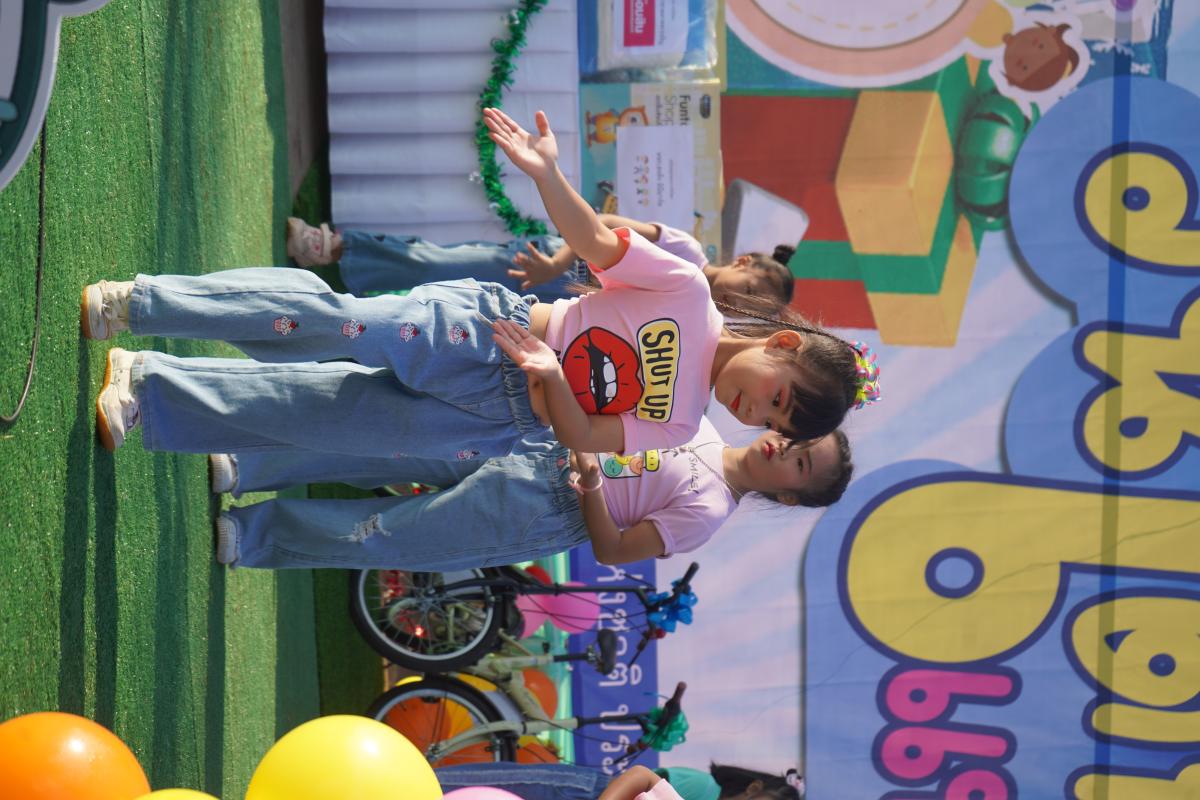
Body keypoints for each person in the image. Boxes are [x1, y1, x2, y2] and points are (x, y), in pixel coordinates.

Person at [81, 107, 874, 464]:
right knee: (331, 321)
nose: (755, 411)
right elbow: (596, 243)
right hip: (489, 329)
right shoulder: (688, 293)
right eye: (778, 395)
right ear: (782, 343)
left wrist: (551, 381)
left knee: (320, 417)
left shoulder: (681, 424)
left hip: (499, 418)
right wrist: (547, 173)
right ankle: (139, 304)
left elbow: (586, 437)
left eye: (772, 421)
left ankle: (146, 386)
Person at [204, 417, 852, 569]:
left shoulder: (707, 515)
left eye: (801, 465)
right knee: (388, 443)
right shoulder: (698, 420)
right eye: (796, 438)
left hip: (538, 511)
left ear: (789, 499)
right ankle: (248, 464)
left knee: (388, 533)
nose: (784, 449)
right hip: (534, 442)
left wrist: (591, 483)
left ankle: (253, 537)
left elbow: (613, 550)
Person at [285, 214, 795, 307]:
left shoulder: (694, 311)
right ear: (742, 261)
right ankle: (332, 248)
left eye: (753, 306)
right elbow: (600, 221)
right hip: (552, 265)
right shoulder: (684, 249)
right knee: (439, 265)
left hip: (555, 314)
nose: (741, 298)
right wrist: (554, 265)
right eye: (750, 288)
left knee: (439, 309)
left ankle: (334, 332)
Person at [431, 762, 806, 800]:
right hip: (575, 792)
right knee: (445, 787)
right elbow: (640, 778)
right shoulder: (705, 789)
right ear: (754, 789)